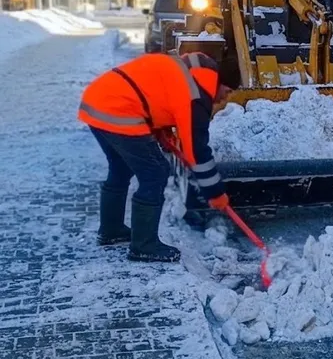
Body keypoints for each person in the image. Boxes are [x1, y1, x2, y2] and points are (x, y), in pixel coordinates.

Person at [78, 52, 233, 262]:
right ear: (220, 82)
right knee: (155, 172)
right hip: (118, 108)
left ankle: (111, 230)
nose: (225, 99)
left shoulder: (190, 72)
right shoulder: (197, 96)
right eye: (228, 91)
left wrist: (161, 131)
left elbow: (156, 96)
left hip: (97, 99)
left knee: (121, 167)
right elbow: (197, 151)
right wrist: (215, 193)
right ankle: (144, 246)